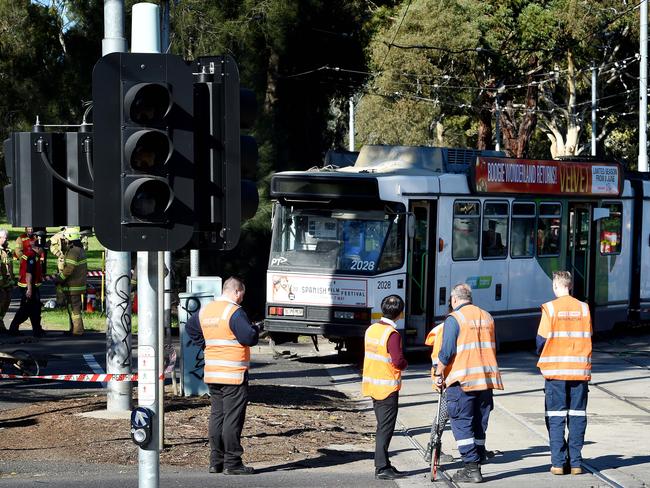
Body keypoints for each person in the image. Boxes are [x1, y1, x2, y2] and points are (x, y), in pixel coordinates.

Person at [186, 277, 261, 475]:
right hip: (233, 373)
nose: (242, 299)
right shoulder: (234, 312)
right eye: (242, 295)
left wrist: (206, 345)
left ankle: (215, 461)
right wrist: (256, 329)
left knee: (217, 416)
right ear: (237, 292)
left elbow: (190, 328)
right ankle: (233, 463)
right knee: (232, 418)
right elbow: (248, 337)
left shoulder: (206, 310)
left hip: (213, 372)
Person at [436, 283, 503, 483]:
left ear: (454, 300)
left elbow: (447, 351)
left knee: (462, 422)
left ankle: (471, 468)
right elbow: (495, 346)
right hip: (485, 379)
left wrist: (438, 372)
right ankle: (479, 457)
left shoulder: (455, 318)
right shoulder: (487, 316)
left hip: (463, 380)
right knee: (479, 422)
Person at [536, 271, 592, 476]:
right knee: (577, 416)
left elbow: (541, 340)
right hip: (579, 372)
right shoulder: (584, 309)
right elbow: (588, 335)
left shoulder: (550, 308)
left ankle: (558, 464)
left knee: (556, 417)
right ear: (570, 286)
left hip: (556, 373)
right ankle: (576, 463)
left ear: (555, 286)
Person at [361, 294, 408, 481]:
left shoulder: (371, 329)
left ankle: (384, 464)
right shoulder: (392, 335)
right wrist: (405, 363)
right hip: (387, 388)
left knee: (383, 426)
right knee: (385, 429)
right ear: (400, 314)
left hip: (373, 384)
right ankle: (381, 467)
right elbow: (397, 361)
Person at [8, 239, 45, 337]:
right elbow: (29, 274)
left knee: (35, 309)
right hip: (28, 287)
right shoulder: (31, 257)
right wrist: (29, 289)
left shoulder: (32, 255)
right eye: (41, 249)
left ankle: (37, 330)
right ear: (36, 248)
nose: (42, 251)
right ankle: (13, 329)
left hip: (31, 286)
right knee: (26, 310)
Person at [56, 227, 88, 336]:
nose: (63, 240)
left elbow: (69, 269)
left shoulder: (73, 252)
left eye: (65, 237)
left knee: (75, 310)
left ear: (69, 238)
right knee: (73, 308)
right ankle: (74, 328)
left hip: (73, 286)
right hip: (77, 285)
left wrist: (59, 279)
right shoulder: (79, 250)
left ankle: (78, 331)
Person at [0, 230, 15, 333]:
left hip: (7, 282)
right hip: (1, 283)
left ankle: (0, 320)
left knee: (7, 301)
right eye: (5, 238)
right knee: (1, 300)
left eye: (7, 238)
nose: (7, 240)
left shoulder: (7, 251)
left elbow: (9, 267)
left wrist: (13, 280)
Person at [49, 227, 68, 307]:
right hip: (62, 263)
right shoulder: (58, 236)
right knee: (60, 283)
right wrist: (59, 255)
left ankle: (69, 302)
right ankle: (61, 302)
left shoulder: (75, 234)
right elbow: (51, 246)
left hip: (73, 261)